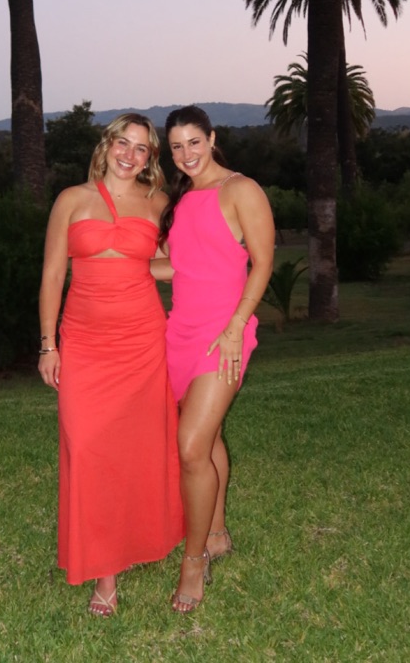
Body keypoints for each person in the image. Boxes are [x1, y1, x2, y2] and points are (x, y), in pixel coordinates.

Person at [38, 113, 184, 617]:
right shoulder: (71, 200)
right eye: (123, 142)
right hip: (83, 342)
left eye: (141, 148)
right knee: (87, 446)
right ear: (107, 145)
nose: (130, 154)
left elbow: (176, 262)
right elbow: (52, 274)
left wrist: (142, 266)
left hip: (142, 340)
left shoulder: (159, 203)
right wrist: (48, 345)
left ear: (150, 159)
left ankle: (118, 564)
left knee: (137, 449)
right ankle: (103, 565)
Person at [153, 105, 275, 613]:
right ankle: (218, 532)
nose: (186, 154)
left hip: (224, 334)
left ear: (212, 138)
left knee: (189, 447)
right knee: (209, 437)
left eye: (194, 142)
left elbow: (263, 263)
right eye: (176, 147)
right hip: (179, 332)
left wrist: (234, 328)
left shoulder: (241, 189)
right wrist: (115, 263)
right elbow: (176, 266)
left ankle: (194, 558)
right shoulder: (181, 200)